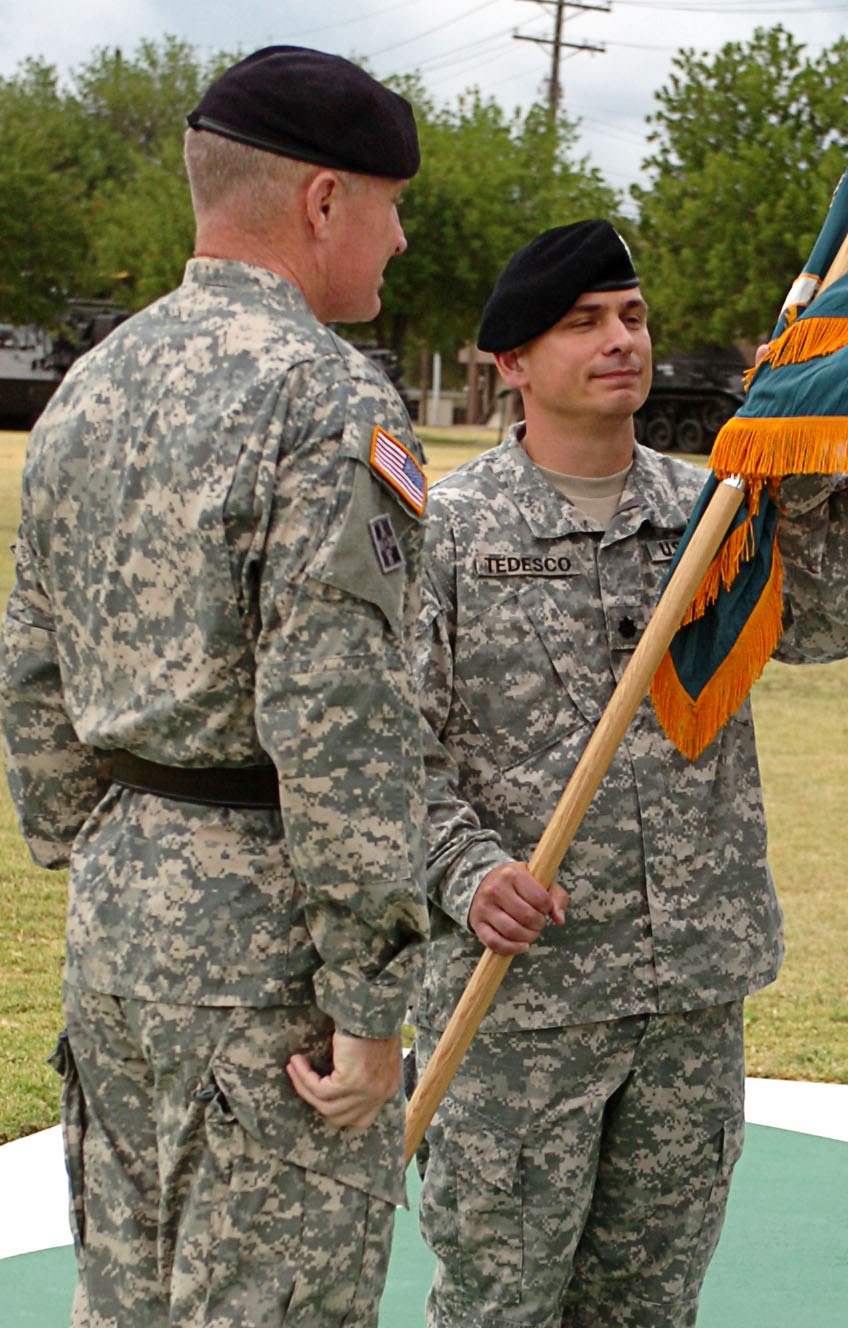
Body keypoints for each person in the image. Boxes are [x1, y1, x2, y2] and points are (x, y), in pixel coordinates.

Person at [0, 45, 430, 1328]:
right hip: (268, 955)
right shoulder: (325, 396)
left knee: (124, 1297)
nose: (400, 241)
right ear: (320, 201)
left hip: (122, 921)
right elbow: (338, 716)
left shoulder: (89, 386)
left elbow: (31, 662)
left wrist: (101, 848)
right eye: (391, 205)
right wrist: (369, 1004)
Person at [412, 220, 848, 1328]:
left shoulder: (713, 509)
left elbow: (820, 624)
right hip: (520, 1004)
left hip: (686, 995)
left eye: (633, 314)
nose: (621, 339)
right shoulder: (445, 534)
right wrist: (468, 872)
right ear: (508, 362)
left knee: (649, 1307)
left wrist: (802, 476)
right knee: (497, 1304)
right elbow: (382, 753)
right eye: (582, 322)